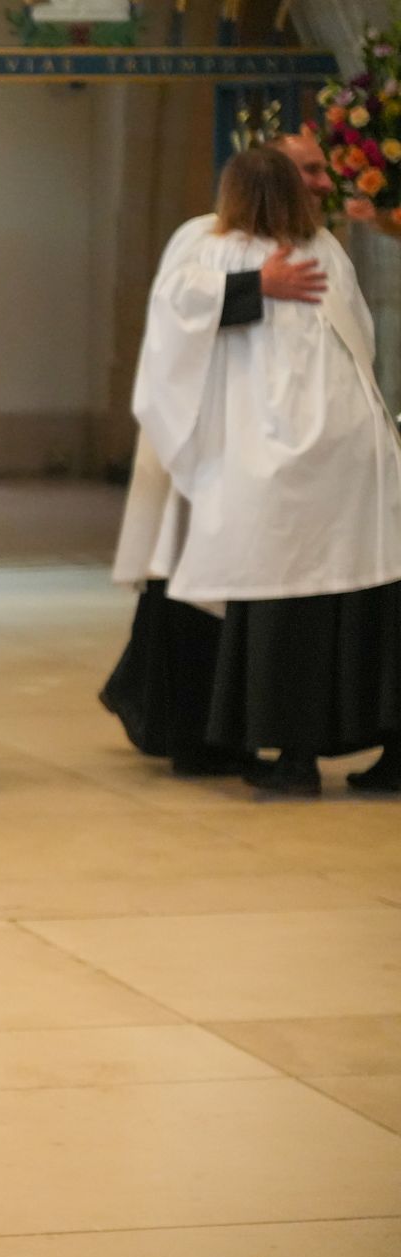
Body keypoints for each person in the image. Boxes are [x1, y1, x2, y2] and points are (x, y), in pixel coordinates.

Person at [134, 144, 401, 796]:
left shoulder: (216, 251)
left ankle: (295, 758)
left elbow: (173, 326)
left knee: (285, 614)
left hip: (275, 466)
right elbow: (362, 337)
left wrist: (249, 288)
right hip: (354, 455)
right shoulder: (327, 252)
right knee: (366, 602)